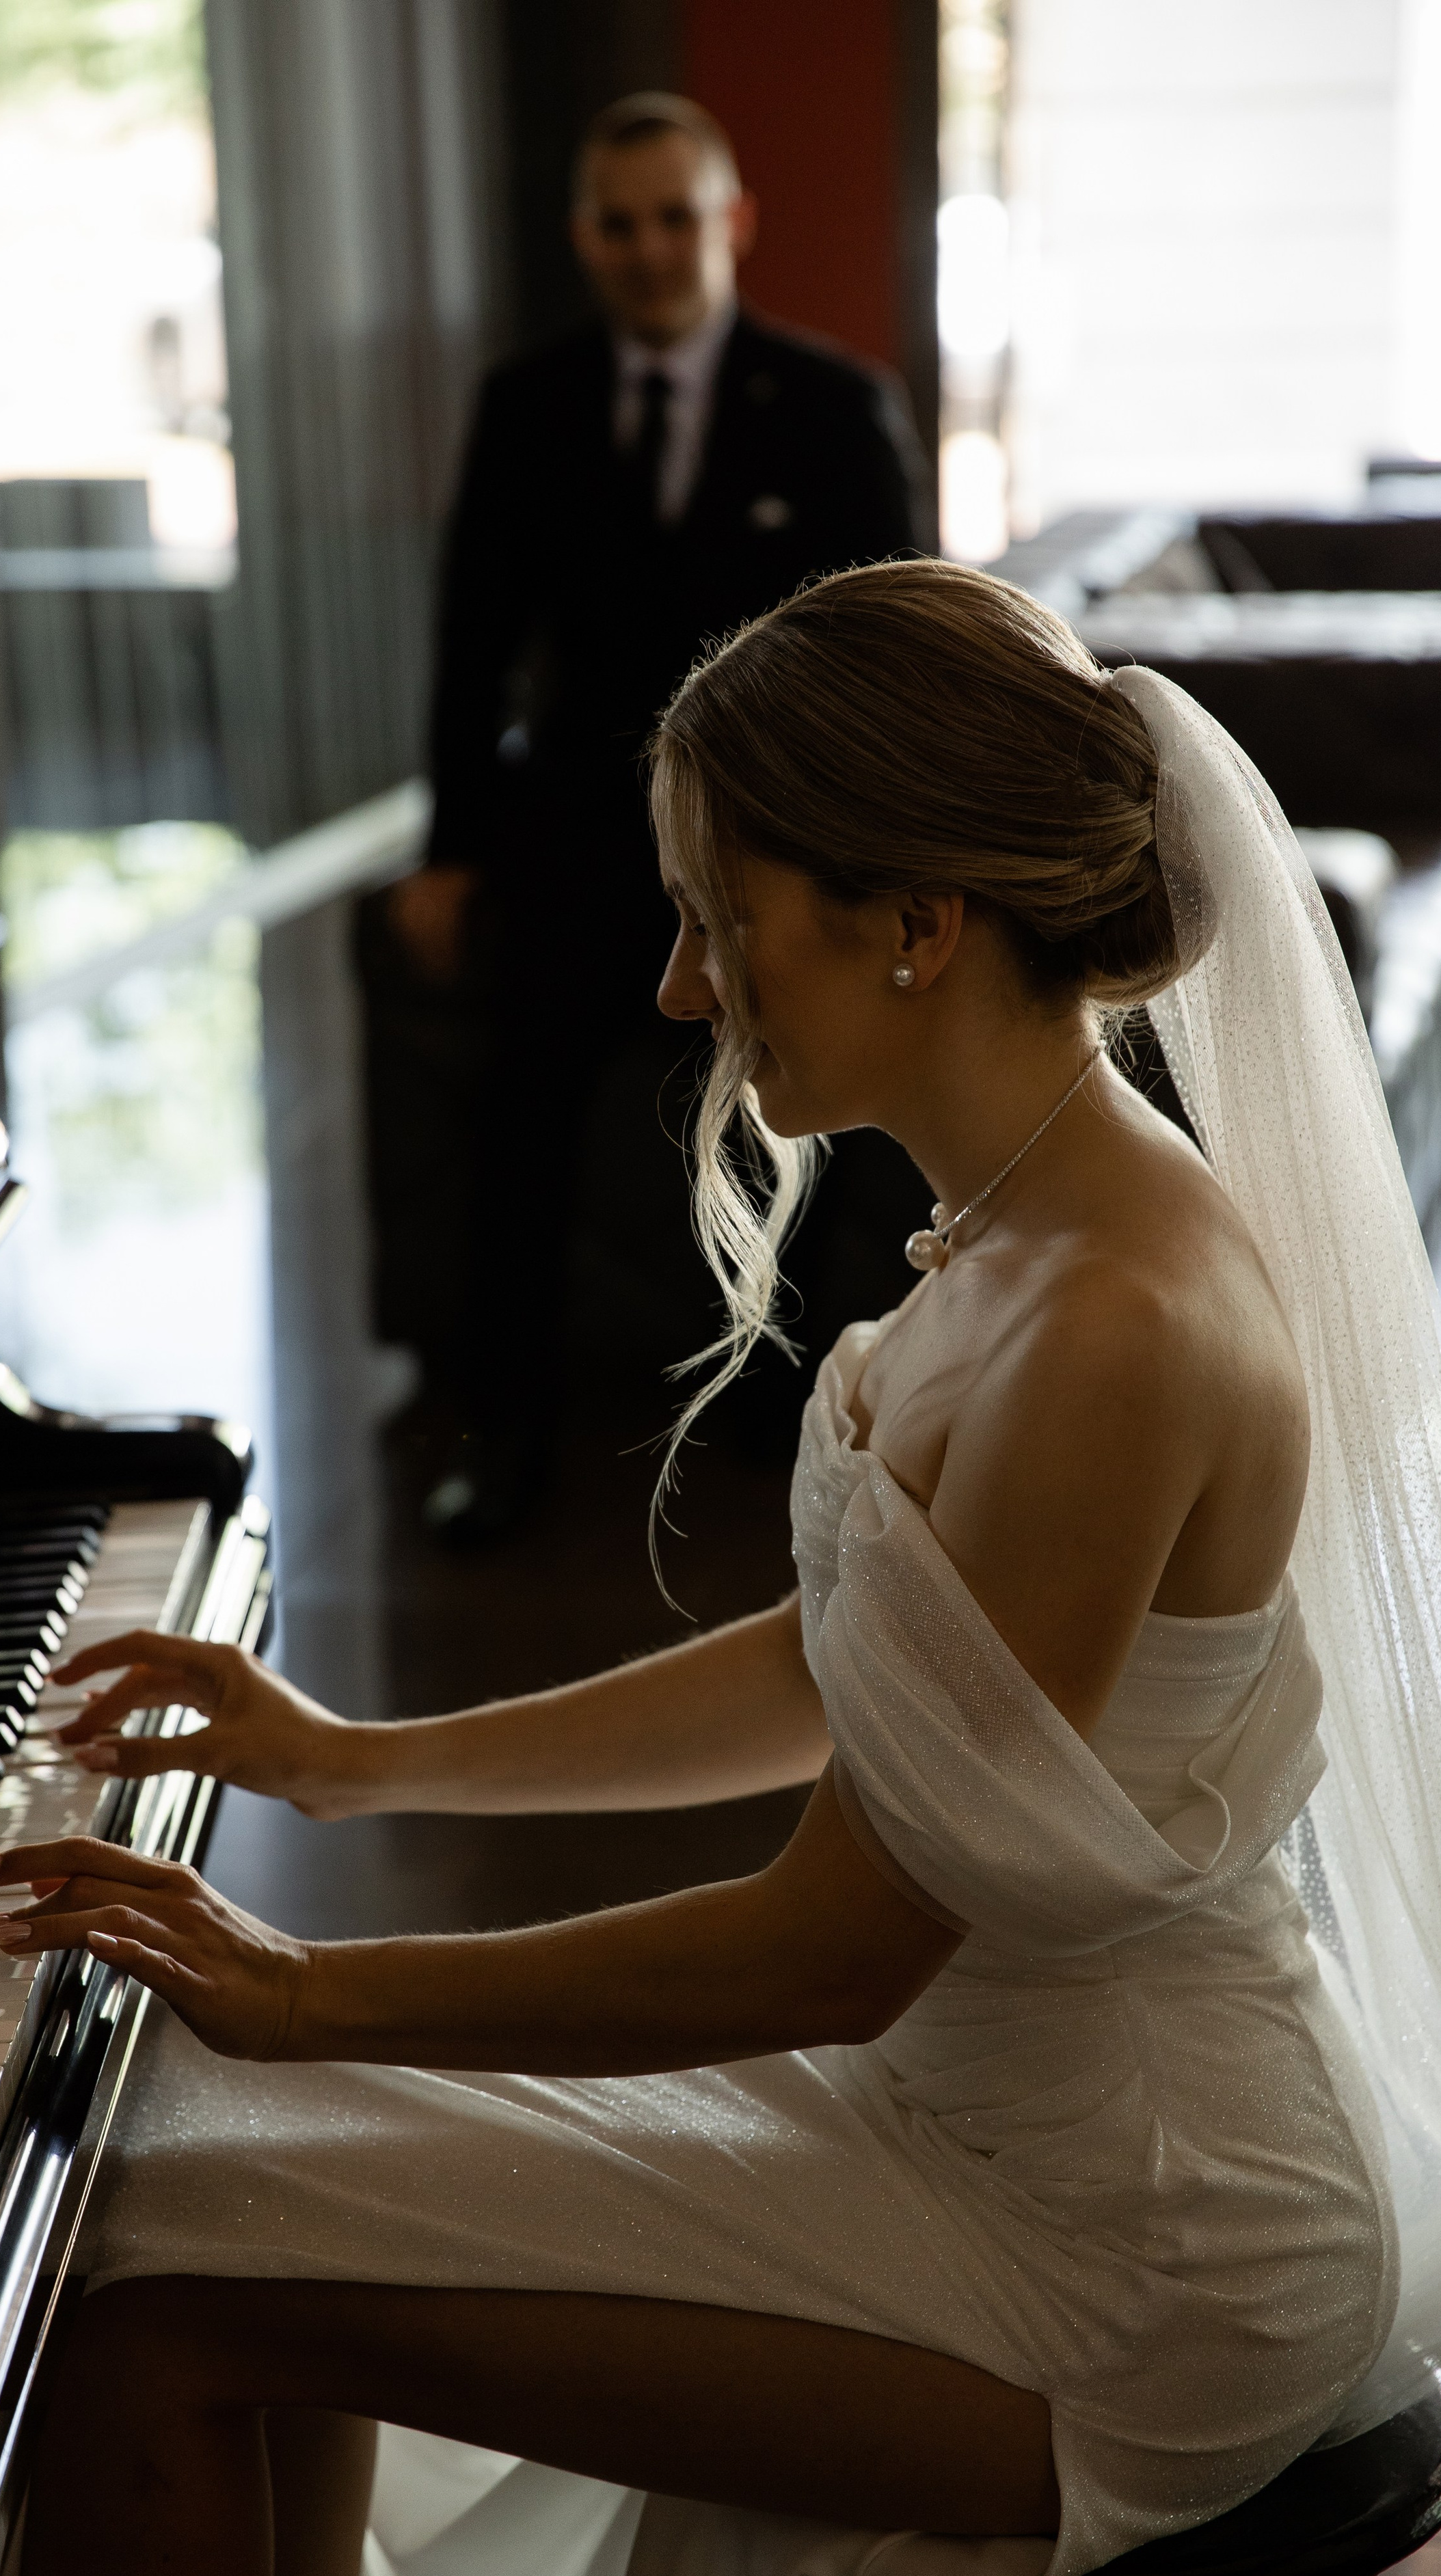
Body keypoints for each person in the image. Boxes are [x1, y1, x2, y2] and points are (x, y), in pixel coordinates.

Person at [0, 557, 1441, 2576]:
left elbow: (832, 1947)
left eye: (721, 918)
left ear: (917, 925)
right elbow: (844, 1671)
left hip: (1143, 2248)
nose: (686, 990)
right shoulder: (1017, 1229)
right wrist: (347, 1766)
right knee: (194, 2173)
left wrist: (316, 1989)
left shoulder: (1114, 1325)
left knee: (161, 2279)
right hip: (976, 2120)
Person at [390, 90, 931, 1542]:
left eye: (674, 217)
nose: (647, 250)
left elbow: (891, 642)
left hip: (775, 848)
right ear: (585, 239)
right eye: (617, 225)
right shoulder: (529, 404)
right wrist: (448, 852)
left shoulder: (832, 406)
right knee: (515, 1130)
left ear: (730, 222)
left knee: (807, 1124)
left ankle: (774, 1406)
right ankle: (494, 1439)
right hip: (573, 842)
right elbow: (471, 640)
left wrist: (867, 848)